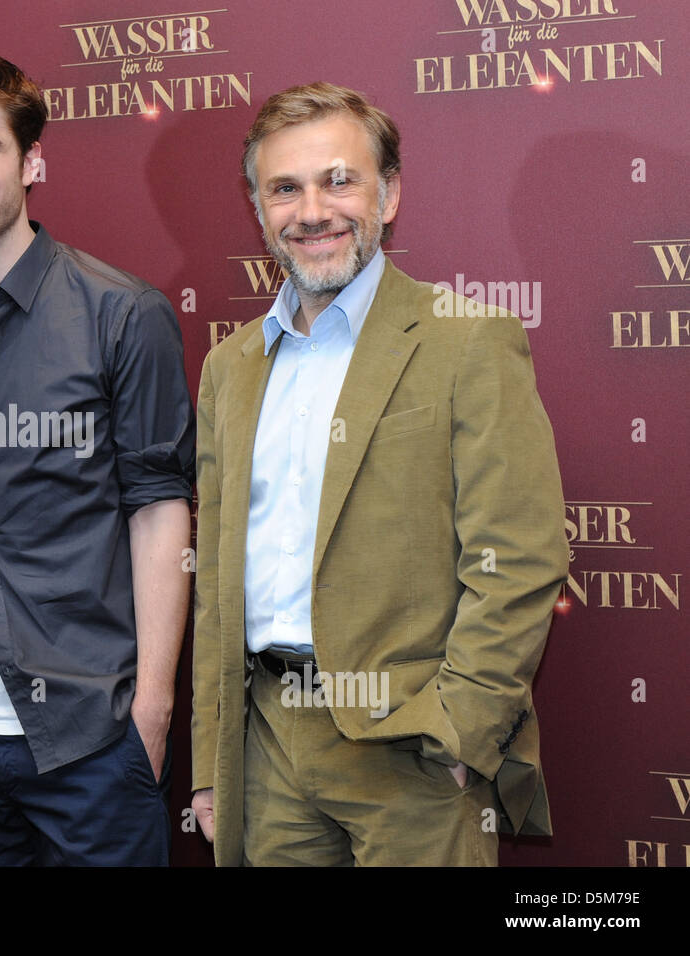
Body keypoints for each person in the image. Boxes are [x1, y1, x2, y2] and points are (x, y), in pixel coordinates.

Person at [190, 82, 568, 866]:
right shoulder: (230, 366)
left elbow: (521, 560)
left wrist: (458, 729)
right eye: (284, 188)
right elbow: (216, 581)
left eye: (340, 180)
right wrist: (209, 762)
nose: (313, 211)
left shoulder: (466, 339)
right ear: (259, 209)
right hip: (265, 745)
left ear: (389, 193)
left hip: (412, 752)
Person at [0, 48, 195, 866]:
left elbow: (160, 514)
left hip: (91, 740)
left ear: (32, 160)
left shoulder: (124, 315)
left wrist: (151, 713)